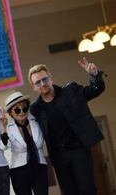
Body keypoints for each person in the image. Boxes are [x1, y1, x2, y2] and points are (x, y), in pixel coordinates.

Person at [28, 57, 106, 195]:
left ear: (51, 78)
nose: (43, 84)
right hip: (58, 157)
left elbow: (96, 89)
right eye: (38, 82)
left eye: (45, 79)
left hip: (79, 151)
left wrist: (94, 75)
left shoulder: (70, 91)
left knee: (87, 189)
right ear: (34, 87)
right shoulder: (35, 108)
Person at [0, 91, 48, 195]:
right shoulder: (8, 128)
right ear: (11, 113)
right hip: (19, 171)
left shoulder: (37, 122)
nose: (22, 111)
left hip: (39, 167)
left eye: (24, 108)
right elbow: (4, 146)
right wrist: (3, 128)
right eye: (17, 109)